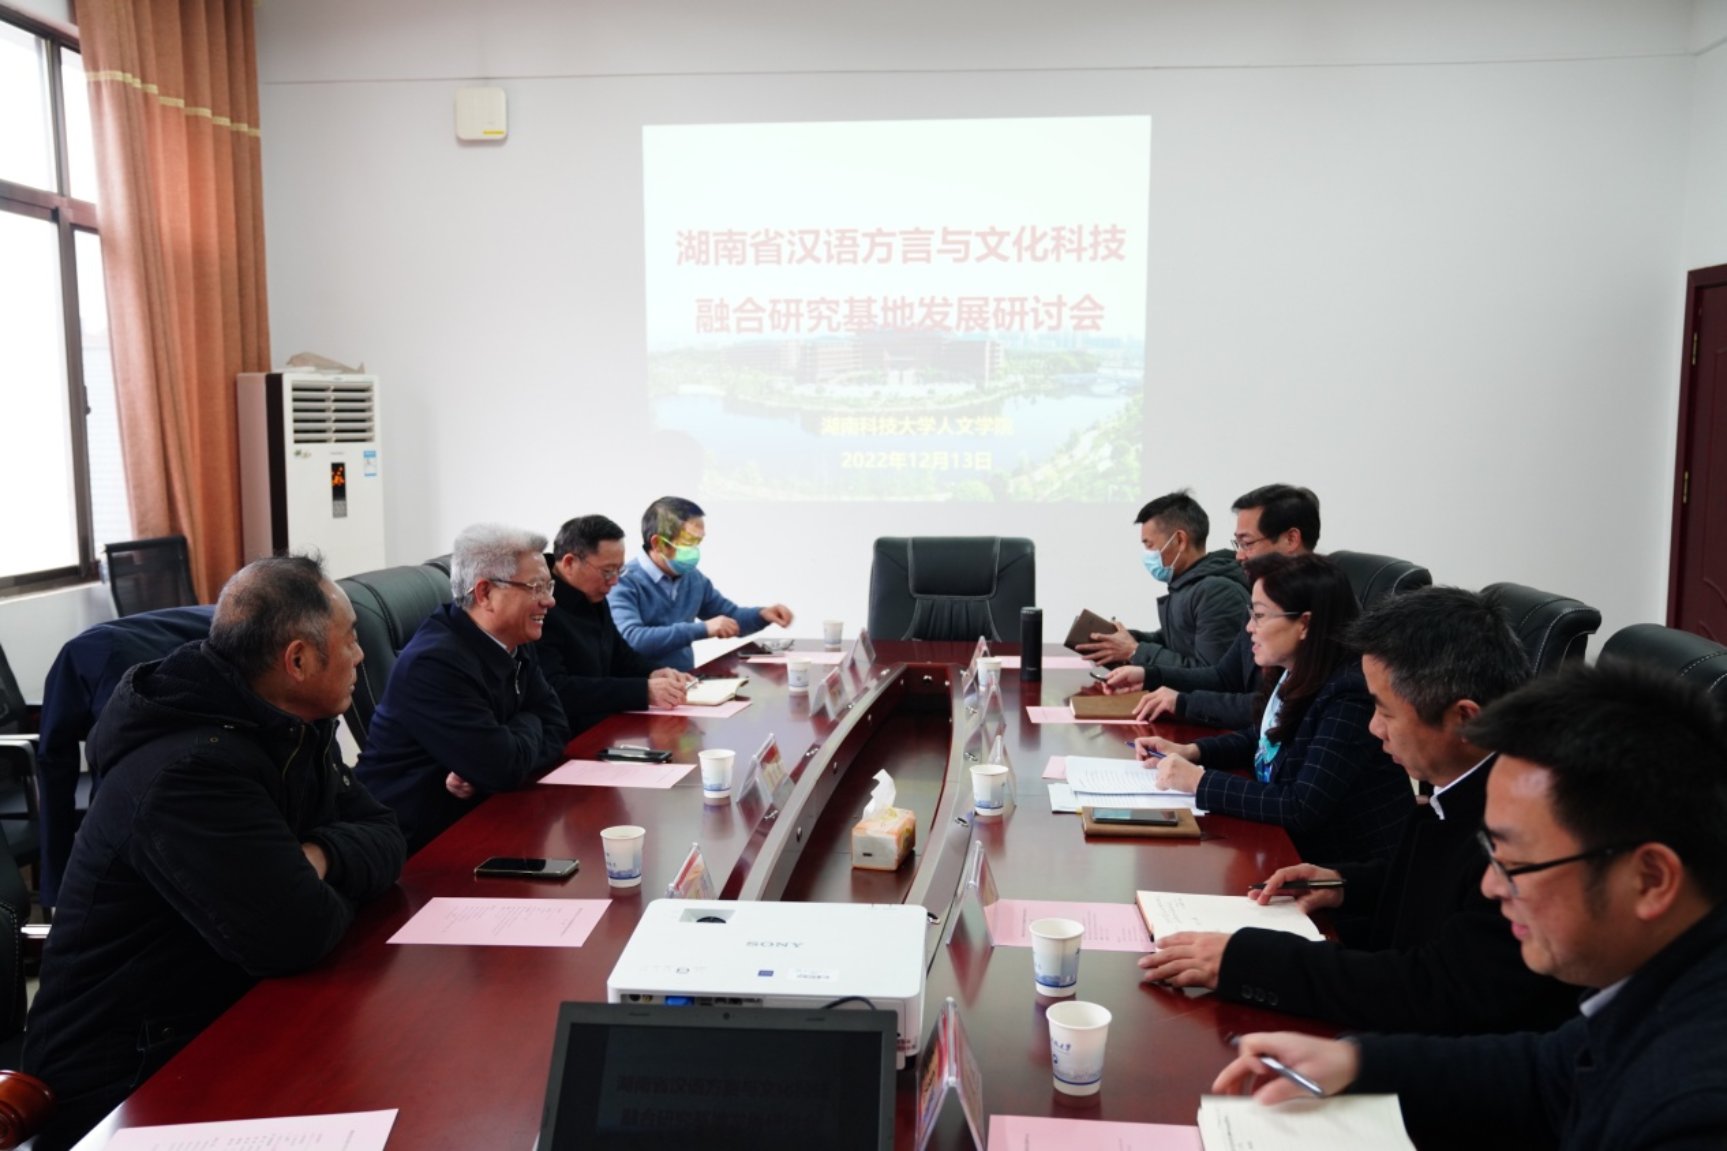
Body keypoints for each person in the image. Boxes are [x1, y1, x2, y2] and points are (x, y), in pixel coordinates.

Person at [1212, 663, 1727, 1150]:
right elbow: (1548, 1072)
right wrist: (1357, 1062)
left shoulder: (1696, 1113)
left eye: (1515, 863)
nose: (1490, 886)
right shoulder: (1661, 983)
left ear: (1650, 879)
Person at [23, 556, 406, 1150]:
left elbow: (386, 832)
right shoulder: (192, 770)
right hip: (132, 1074)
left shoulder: (290, 722)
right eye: (350, 639)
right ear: (298, 661)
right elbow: (297, 936)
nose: (361, 655)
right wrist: (320, 877)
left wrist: (318, 857)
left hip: (226, 1010)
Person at [1139, 587, 1577, 1034]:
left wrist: (1251, 962)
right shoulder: (1461, 789)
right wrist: (1343, 883)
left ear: (1464, 719)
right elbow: (1431, 892)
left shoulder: (1518, 832)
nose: (1373, 728)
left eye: (1385, 712)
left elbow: (1432, 989)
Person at [1134, 553, 1411, 864]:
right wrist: (1192, 751)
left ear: (1305, 624)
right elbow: (1265, 737)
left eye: (1260, 615)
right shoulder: (1294, 670)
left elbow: (1300, 806)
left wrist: (1199, 782)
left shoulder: (1348, 693)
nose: (1249, 627)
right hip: (1286, 848)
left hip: (1342, 869)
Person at [356, 524, 571, 852]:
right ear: (485, 593)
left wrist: (499, 754)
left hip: (482, 817)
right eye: (536, 587)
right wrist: (526, 725)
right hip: (417, 846)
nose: (549, 601)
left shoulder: (515, 639)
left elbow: (557, 727)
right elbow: (503, 767)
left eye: (549, 586)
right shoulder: (434, 663)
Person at [1105, 483, 1319, 728]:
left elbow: (1274, 708)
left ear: (1291, 539)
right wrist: (1148, 675)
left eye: (1247, 543)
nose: (1239, 556)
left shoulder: (1323, 609)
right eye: (1238, 544)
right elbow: (1223, 676)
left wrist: (1182, 702)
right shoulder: (1260, 596)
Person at [538, 514, 696, 732]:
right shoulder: (541, 605)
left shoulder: (592, 595)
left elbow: (620, 656)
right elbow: (556, 688)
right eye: (607, 571)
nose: (614, 581)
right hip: (566, 735)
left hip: (605, 725)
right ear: (569, 562)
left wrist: (653, 672)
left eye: (619, 570)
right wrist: (643, 691)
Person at [608, 495, 793, 672]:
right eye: (688, 542)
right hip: (643, 688)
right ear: (658, 544)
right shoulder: (622, 581)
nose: (694, 551)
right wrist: (703, 629)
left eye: (698, 542)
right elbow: (632, 640)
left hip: (685, 683)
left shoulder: (693, 578)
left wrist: (763, 615)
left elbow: (730, 618)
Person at [1074, 490, 1249, 673]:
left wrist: (1134, 651)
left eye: (1149, 545)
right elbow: (1175, 642)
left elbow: (1213, 675)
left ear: (1180, 540)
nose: (1146, 554)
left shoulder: (1216, 592)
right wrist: (1128, 639)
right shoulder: (1187, 585)